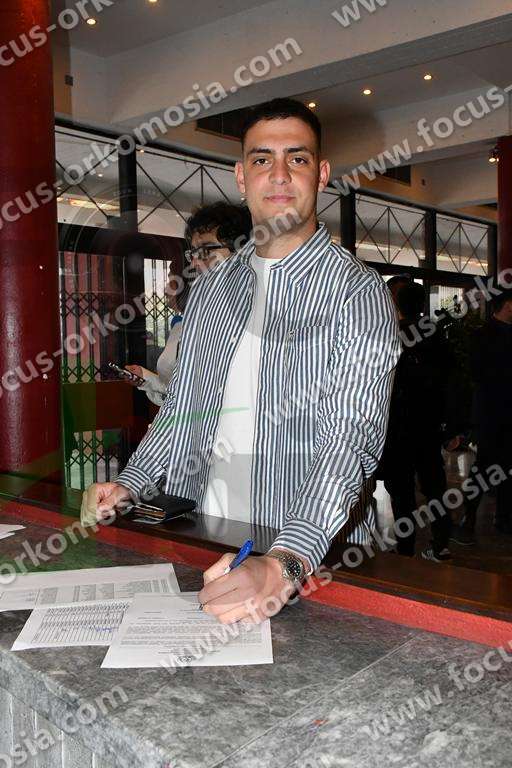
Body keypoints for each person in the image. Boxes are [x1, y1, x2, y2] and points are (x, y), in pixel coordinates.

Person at [81, 98, 400, 623]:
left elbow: (349, 440)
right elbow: (182, 406)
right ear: (241, 176)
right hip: (209, 537)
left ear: (322, 175)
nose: (279, 174)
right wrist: (131, 483)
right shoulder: (213, 288)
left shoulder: (355, 292)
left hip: (309, 558)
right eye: (261, 159)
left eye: (297, 158)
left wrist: (285, 562)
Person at [125, 202, 252, 406]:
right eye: (193, 253)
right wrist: (148, 380)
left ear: (243, 251)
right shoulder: (201, 318)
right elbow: (184, 395)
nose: (194, 263)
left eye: (205, 250)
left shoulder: (261, 315)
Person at [379, 280, 459, 562]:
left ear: (395, 303)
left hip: (397, 427)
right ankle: (441, 544)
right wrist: (452, 425)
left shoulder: (390, 335)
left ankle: (405, 550)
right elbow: (451, 381)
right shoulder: (435, 334)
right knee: (434, 486)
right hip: (428, 425)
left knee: (402, 493)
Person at [456, 286, 512, 538]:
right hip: (491, 413)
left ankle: (504, 517)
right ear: (507, 305)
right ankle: (469, 516)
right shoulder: (482, 335)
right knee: (484, 466)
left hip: (508, 413)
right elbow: (476, 374)